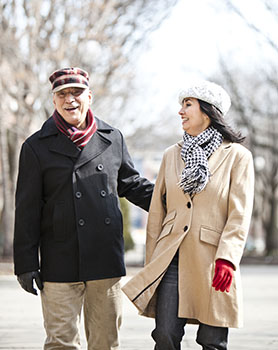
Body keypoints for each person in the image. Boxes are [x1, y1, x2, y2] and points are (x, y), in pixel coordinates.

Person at [13, 67, 153, 350]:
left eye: (76, 92)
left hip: (105, 259)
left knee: (105, 343)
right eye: (62, 94)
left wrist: (171, 199)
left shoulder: (112, 138)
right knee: (60, 343)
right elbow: (26, 209)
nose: (70, 100)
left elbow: (131, 184)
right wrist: (25, 264)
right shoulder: (35, 146)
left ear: (89, 96)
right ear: (54, 101)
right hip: (58, 260)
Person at [122, 79, 254, 350]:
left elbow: (239, 215)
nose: (180, 111)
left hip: (213, 260)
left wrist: (228, 259)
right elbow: (158, 212)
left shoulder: (237, 156)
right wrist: (152, 262)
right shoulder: (172, 155)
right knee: (165, 335)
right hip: (171, 258)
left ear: (207, 111)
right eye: (181, 105)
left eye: (187, 104)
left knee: (212, 340)